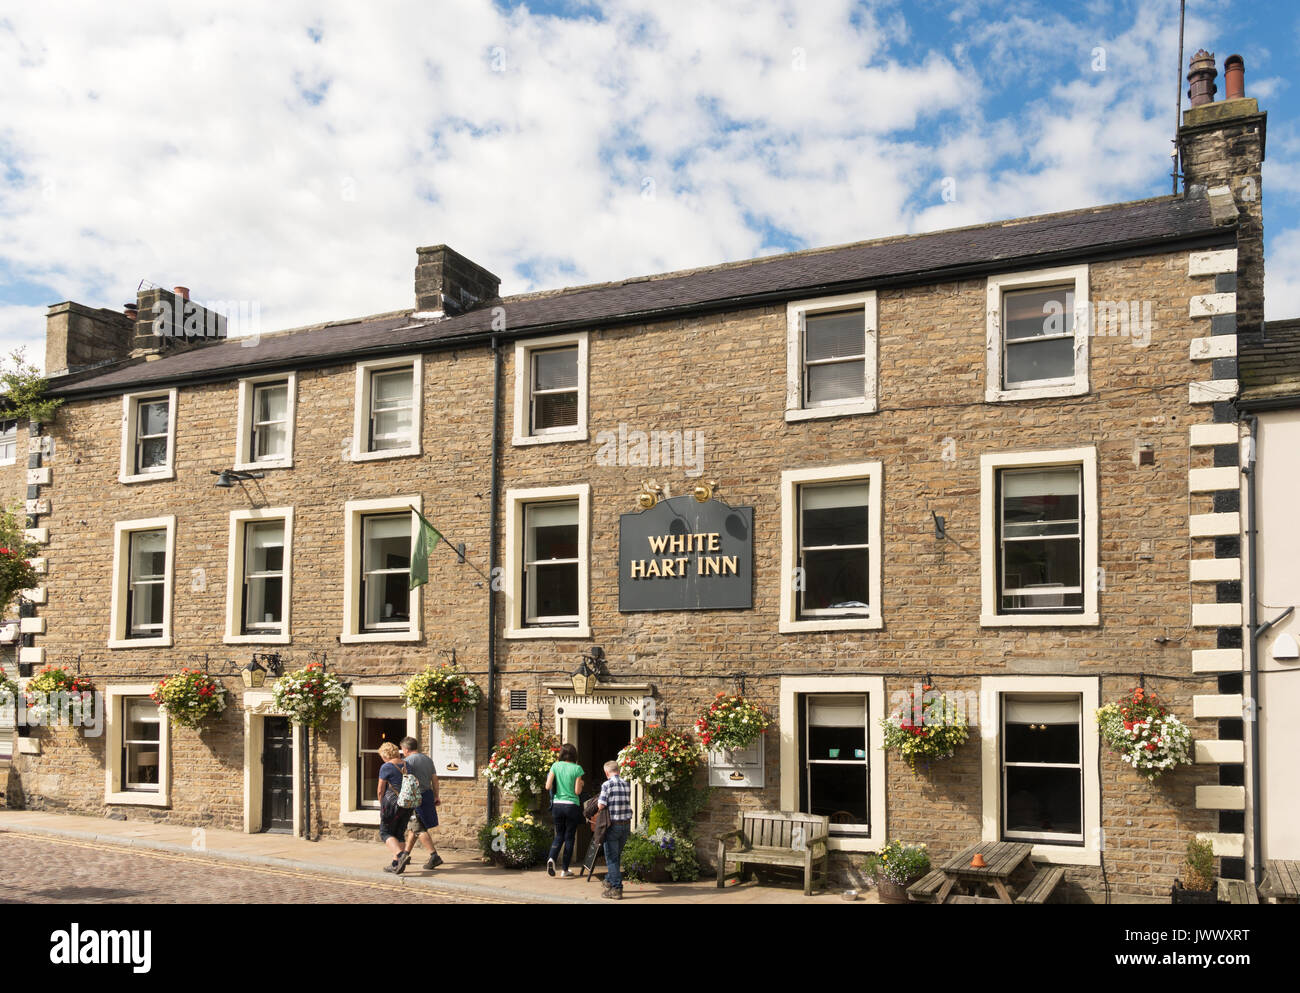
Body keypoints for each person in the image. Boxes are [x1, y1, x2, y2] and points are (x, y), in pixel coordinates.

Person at [391, 735, 442, 874]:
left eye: (402, 749)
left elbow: (403, 782)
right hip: (427, 795)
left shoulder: (406, 762)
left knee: (418, 827)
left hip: (414, 798)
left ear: (406, 749)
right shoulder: (427, 759)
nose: (403, 752)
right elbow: (435, 780)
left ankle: (434, 856)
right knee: (415, 827)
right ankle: (405, 855)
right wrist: (436, 796)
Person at [544, 743, 585, 877]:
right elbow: (577, 791)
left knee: (559, 835)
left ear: (561, 754)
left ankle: (551, 858)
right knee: (569, 837)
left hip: (557, 805)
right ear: (574, 755)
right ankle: (565, 869)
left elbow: (548, 786)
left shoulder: (555, 766)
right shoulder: (577, 769)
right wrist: (581, 784)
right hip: (571, 805)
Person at [596, 759, 633, 899]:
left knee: (611, 858)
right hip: (626, 825)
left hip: (613, 826)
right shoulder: (626, 784)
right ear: (618, 770)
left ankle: (616, 888)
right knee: (616, 856)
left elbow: (601, 805)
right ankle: (608, 880)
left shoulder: (606, 784)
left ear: (607, 773)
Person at [376, 741, 410, 872]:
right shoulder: (408, 764)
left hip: (392, 804)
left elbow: (380, 790)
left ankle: (401, 856)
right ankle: (396, 864)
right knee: (399, 833)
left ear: (385, 755)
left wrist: (382, 804)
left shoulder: (386, 767)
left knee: (385, 832)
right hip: (407, 803)